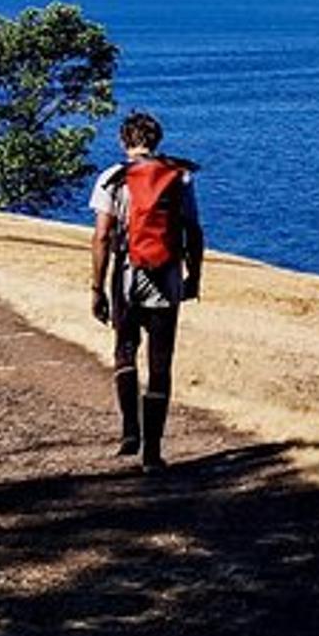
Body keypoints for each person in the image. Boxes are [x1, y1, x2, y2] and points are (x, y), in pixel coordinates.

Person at [89, 110, 204, 468]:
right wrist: (193, 277)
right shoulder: (178, 179)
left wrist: (97, 287)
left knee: (125, 350)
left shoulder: (112, 178)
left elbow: (102, 236)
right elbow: (193, 233)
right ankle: (152, 452)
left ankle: (129, 430)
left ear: (124, 141)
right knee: (160, 361)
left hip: (126, 274)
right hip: (166, 277)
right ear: (156, 141)